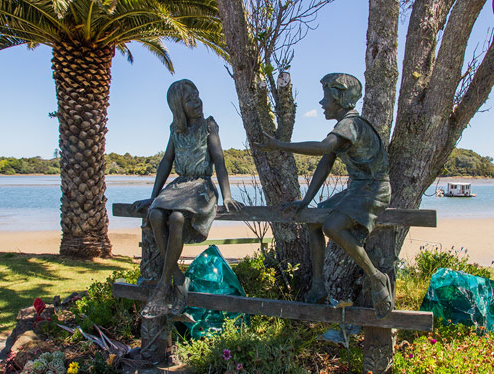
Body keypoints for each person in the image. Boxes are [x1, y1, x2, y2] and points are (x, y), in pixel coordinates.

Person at [257, 73, 393, 319]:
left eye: (326, 97)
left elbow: (322, 148)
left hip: (373, 189)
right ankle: (318, 286)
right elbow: (324, 163)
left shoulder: (351, 124)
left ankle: (376, 277)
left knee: (331, 226)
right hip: (358, 188)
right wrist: (306, 202)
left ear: (339, 98)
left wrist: (280, 145)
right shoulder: (343, 129)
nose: (321, 103)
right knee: (313, 218)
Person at [134, 79, 243, 319]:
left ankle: (164, 285)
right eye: (190, 100)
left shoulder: (209, 126)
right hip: (179, 185)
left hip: (201, 186)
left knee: (177, 218)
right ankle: (177, 279)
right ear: (178, 107)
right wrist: (153, 197)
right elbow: (166, 162)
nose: (197, 102)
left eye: (197, 96)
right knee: (154, 214)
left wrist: (227, 195)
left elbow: (220, 160)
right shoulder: (175, 129)